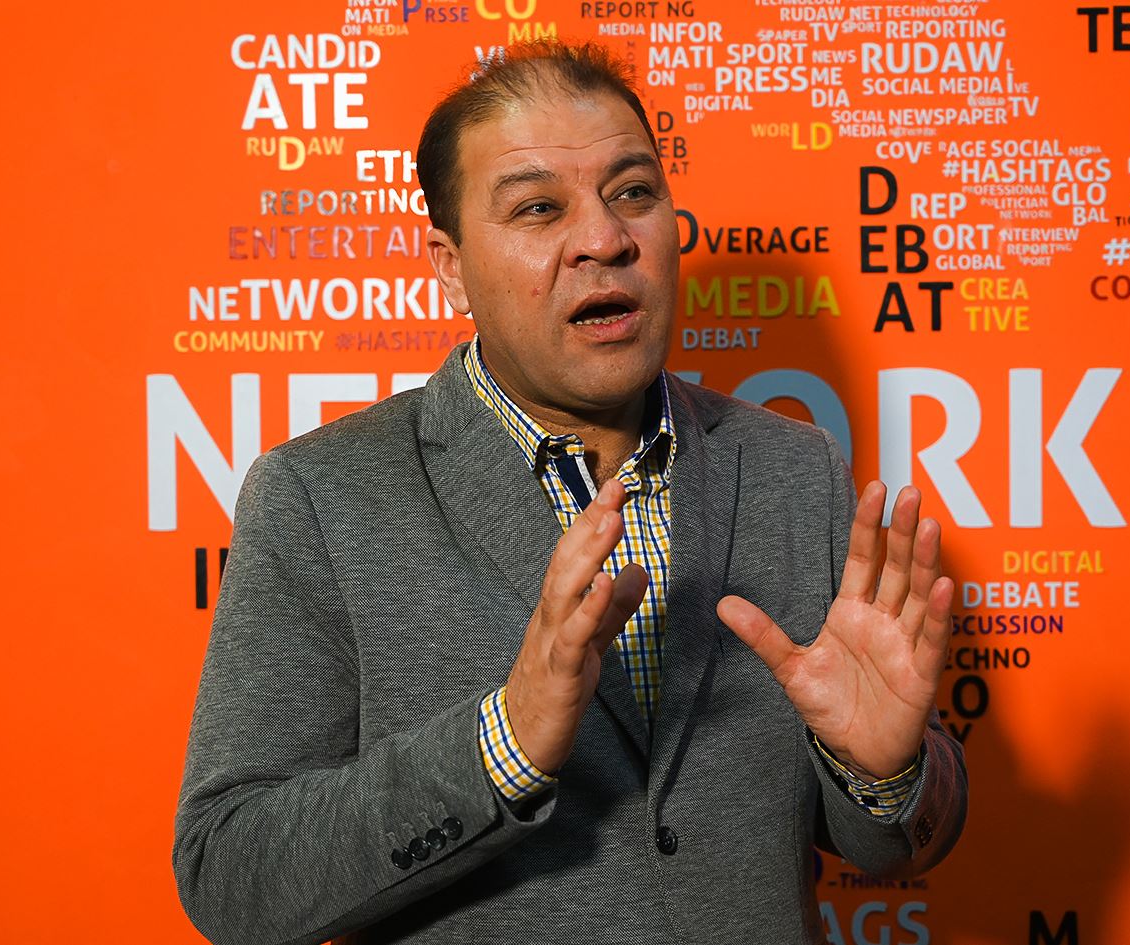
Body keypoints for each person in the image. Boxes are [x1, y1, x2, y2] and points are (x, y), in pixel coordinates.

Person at [173, 40, 966, 945]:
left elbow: (897, 836)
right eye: (539, 207)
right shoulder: (321, 497)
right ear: (450, 266)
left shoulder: (794, 468)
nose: (605, 238)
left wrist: (883, 773)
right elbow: (229, 876)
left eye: (633, 192)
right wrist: (503, 743)